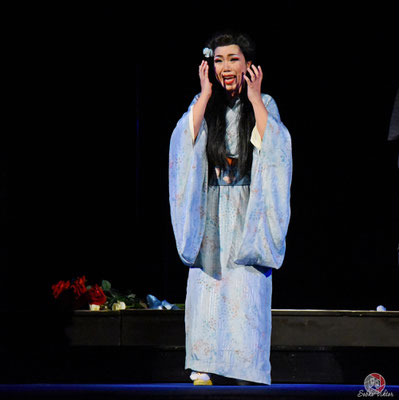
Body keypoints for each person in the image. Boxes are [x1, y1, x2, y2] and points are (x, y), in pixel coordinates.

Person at [169, 31, 293, 385]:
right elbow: (183, 142)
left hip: (249, 213)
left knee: (245, 290)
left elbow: (277, 148)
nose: (225, 66)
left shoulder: (264, 103)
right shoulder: (204, 102)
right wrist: (205, 95)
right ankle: (203, 363)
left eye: (233, 59)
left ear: (249, 65)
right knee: (207, 290)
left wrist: (255, 98)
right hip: (210, 212)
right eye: (219, 59)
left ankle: (245, 366)